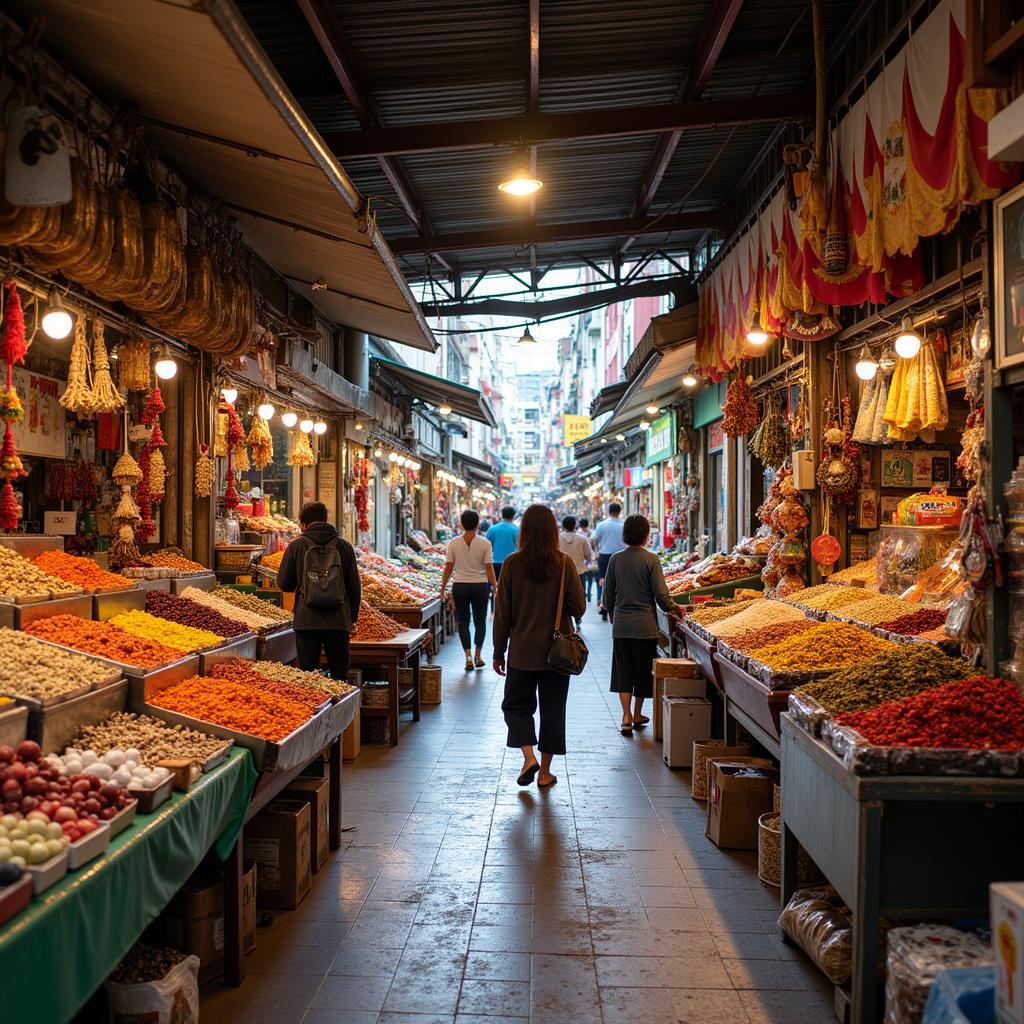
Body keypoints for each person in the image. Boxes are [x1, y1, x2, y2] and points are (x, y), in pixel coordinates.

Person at [494, 505, 585, 789]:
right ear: (553, 531)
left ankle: (528, 756)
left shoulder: (511, 563)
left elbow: (502, 613)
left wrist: (499, 650)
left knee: (514, 706)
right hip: (557, 655)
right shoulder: (564, 562)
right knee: (553, 711)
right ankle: (544, 773)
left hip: (522, 652)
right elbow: (579, 607)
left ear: (524, 531)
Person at [602, 514, 679, 734]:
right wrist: (675, 608)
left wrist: (613, 618)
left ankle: (625, 716)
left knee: (623, 671)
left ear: (625, 534)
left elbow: (607, 598)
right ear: (646, 535)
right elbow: (661, 596)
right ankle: (636, 712)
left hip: (622, 626)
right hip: (645, 627)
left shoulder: (615, 559)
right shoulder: (651, 559)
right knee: (643, 673)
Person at [277, 501, 361, 681]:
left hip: (306, 621)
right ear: (325, 519)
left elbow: (284, 584)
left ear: (303, 524)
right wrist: (352, 618)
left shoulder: (296, 546)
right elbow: (354, 587)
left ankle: (316, 708)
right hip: (338, 621)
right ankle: (340, 708)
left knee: (309, 678)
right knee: (340, 677)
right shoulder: (344, 546)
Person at [440, 509, 498, 671]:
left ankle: (467, 657)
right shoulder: (485, 543)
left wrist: (443, 587)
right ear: (478, 524)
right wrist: (495, 586)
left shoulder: (453, 543)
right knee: (480, 621)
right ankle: (478, 655)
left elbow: (448, 567)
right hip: (480, 586)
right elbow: (488, 567)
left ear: (461, 523)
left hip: (460, 586)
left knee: (463, 621)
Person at [591, 502, 625, 619]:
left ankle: (603, 607)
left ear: (608, 512)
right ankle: (617, 606)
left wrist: (596, 550)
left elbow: (594, 539)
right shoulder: (623, 525)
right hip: (620, 557)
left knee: (603, 581)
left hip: (604, 556)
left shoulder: (602, 525)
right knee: (619, 582)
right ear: (619, 512)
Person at [558, 515, 591, 625]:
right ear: (575, 525)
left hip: (561, 573)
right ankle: (577, 617)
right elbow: (588, 556)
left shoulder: (557, 538)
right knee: (578, 595)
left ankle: (566, 619)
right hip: (579, 572)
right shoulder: (582, 539)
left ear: (563, 526)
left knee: (562, 595)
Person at [486, 506, 519, 584]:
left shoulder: (492, 529)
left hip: (494, 564)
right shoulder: (516, 530)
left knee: (495, 587)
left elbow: (486, 546)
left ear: (502, 515)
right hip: (511, 565)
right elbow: (519, 548)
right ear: (513, 516)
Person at [578, 517, 597, 601]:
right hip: (588, 560)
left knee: (582, 579)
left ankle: (585, 593)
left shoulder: (578, 534)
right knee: (589, 579)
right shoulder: (591, 533)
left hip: (581, 561)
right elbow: (594, 546)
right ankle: (587, 594)